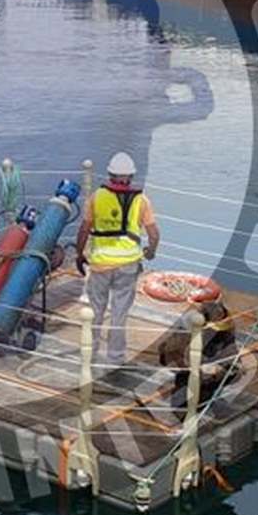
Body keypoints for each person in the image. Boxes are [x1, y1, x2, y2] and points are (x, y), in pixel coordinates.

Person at [74, 151, 159, 365]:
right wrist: (151, 251)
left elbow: (84, 229)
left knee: (95, 311)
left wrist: (79, 254)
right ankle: (115, 358)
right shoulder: (142, 200)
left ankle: (89, 353)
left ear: (110, 173)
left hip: (101, 264)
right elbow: (154, 234)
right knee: (119, 313)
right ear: (131, 176)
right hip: (129, 265)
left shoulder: (96, 197)